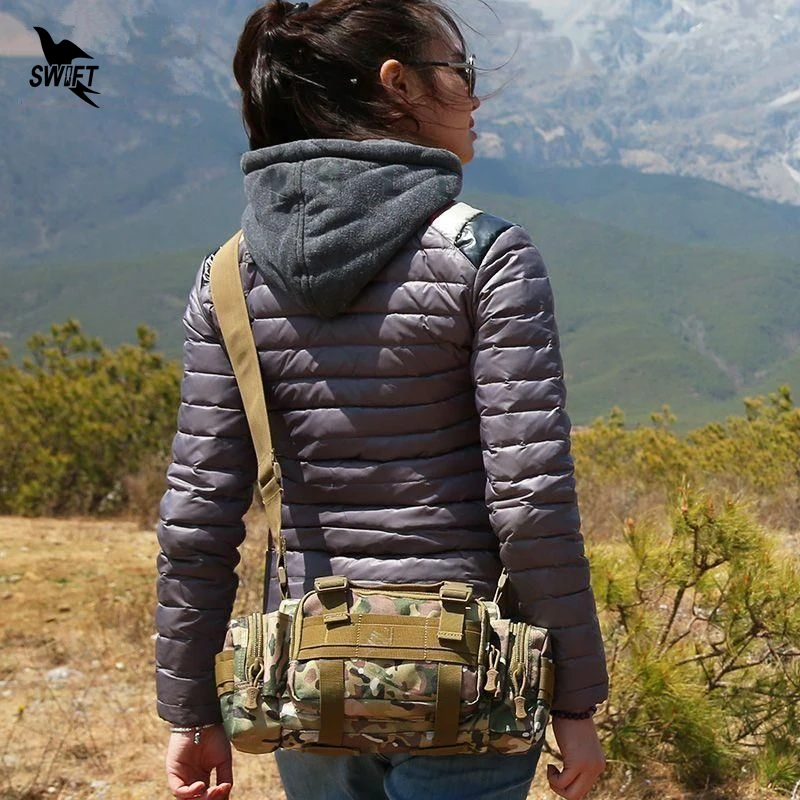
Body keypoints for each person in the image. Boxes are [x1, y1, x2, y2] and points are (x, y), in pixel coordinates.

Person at [155, 1, 608, 799]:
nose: (474, 96)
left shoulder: (227, 276)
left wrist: (191, 712)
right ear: (398, 85)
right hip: (464, 676)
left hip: (311, 676)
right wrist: (573, 698)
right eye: (459, 73)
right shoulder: (488, 257)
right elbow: (531, 504)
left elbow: (198, 518)